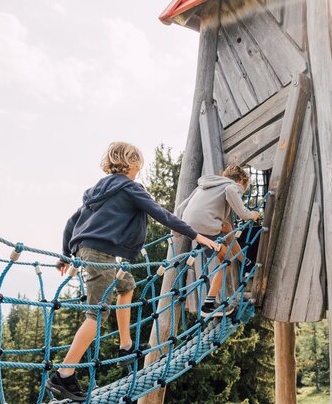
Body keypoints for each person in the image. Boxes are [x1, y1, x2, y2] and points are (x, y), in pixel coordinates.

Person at [45, 142, 218, 402]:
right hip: (100, 255)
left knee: (126, 287)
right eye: (139, 165)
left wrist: (66, 254)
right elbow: (161, 214)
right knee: (96, 315)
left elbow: (72, 222)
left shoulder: (95, 190)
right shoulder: (130, 188)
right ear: (133, 164)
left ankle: (125, 345)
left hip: (92, 251)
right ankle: (63, 375)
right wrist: (196, 235)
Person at [175, 165, 259, 318]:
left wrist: (176, 228)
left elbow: (181, 206)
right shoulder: (232, 186)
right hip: (205, 226)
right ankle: (208, 305)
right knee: (226, 261)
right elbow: (232, 192)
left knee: (227, 230)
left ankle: (246, 263)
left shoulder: (204, 185)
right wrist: (250, 214)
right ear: (241, 180)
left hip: (189, 226)